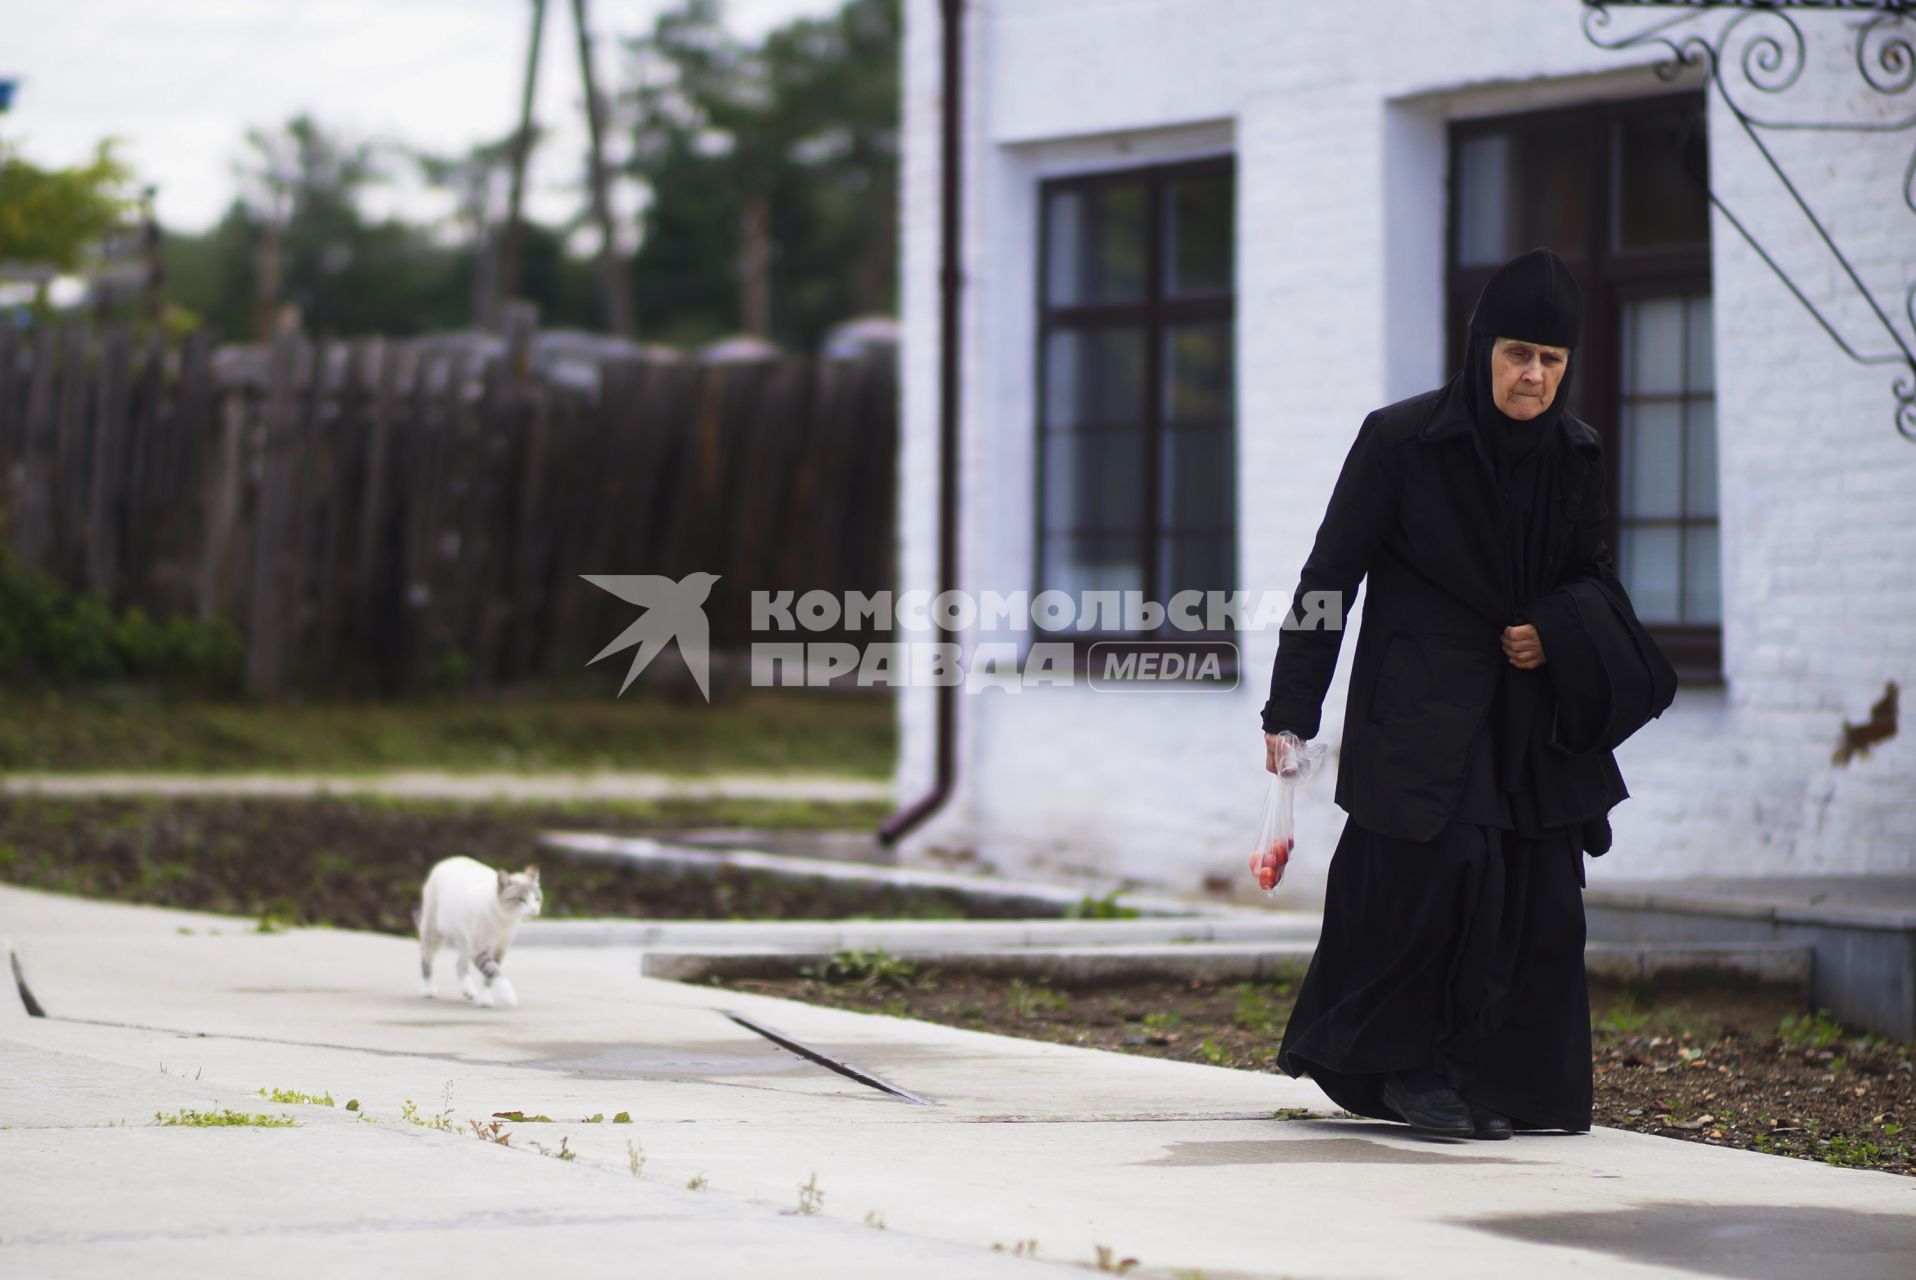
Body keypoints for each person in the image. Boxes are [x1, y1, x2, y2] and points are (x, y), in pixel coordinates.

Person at [1259, 246, 1665, 1141]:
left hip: (1529, 720)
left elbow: (1591, 577)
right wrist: (1291, 711)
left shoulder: (1576, 453)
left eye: (1551, 361)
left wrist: (1553, 631)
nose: (1533, 375)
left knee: (1543, 898)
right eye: (1518, 354)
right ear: (1483, 349)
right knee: (1440, 879)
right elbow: (1330, 577)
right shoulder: (1399, 440)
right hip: (1420, 708)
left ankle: (1504, 1080)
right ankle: (1409, 1070)